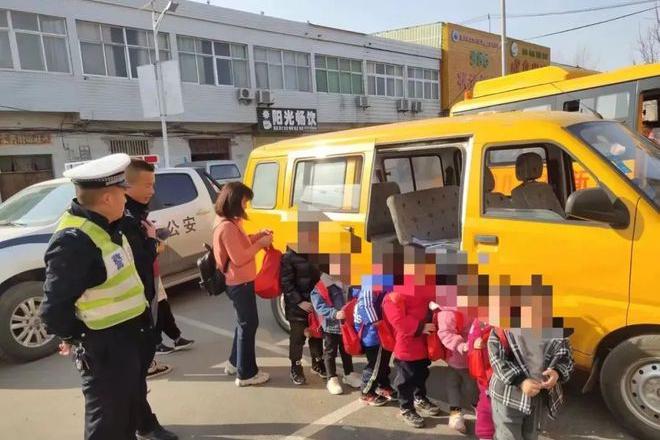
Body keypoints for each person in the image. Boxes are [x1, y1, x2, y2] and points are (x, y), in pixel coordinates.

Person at [41, 154, 149, 439]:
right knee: (107, 424)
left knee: (124, 417)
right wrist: (80, 337)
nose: (126, 199)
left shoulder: (108, 225)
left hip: (125, 338)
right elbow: (53, 310)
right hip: (104, 347)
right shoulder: (74, 242)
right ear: (108, 199)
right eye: (123, 193)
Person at [121, 158, 177, 439]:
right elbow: (138, 260)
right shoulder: (125, 220)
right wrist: (154, 242)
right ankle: (144, 424)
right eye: (147, 185)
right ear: (125, 186)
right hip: (128, 312)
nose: (152, 191)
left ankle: (143, 423)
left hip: (142, 302)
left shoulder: (136, 214)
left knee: (137, 375)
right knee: (130, 379)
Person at [488, 291, 574, 440]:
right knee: (508, 434)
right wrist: (521, 381)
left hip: (537, 396)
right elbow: (498, 361)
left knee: (531, 433)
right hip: (508, 396)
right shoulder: (502, 331)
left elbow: (566, 359)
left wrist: (557, 373)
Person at [213, 182, 273, 387]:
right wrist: (261, 244)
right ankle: (246, 374)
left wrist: (258, 235)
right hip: (239, 282)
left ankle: (234, 363)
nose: (246, 205)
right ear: (235, 201)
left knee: (243, 323)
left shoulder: (228, 221)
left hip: (238, 281)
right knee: (249, 325)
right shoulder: (227, 227)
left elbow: (241, 243)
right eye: (245, 201)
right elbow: (239, 257)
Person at [382, 248, 440, 429]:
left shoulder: (424, 283)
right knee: (405, 379)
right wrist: (421, 327)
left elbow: (433, 296)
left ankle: (419, 398)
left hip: (423, 343)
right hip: (407, 344)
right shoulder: (395, 292)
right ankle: (406, 408)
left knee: (422, 373)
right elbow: (397, 320)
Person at [310, 273, 362, 395]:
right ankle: (331, 378)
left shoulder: (346, 281)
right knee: (330, 352)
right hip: (331, 326)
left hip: (346, 325)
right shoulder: (321, 286)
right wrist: (334, 313)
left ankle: (349, 374)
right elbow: (319, 306)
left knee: (346, 350)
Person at [280, 246, 325, 385]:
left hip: (315, 303)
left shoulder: (318, 251)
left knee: (316, 334)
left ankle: (317, 362)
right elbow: (286, 283)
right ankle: (296, 367)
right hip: (297, 305)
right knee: (297, 337)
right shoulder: (288, 256)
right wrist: (300, 302)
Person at [433, 302, 478, 434]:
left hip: (472, 356)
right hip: (458, 354)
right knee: (455, 384)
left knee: (470, 385)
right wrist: (461, 345)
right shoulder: (448, 311)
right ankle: (457, 413)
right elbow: (445, 333)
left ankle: (475, 407)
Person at [354, 283, 395, 406]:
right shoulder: (369, 285)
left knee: (383, 363)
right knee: (375, 366)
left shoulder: (385, 283)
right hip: (374, 335)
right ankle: (366, 393)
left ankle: (383, 386)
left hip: (383, 332)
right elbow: (365, 305)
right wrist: (377, 322)